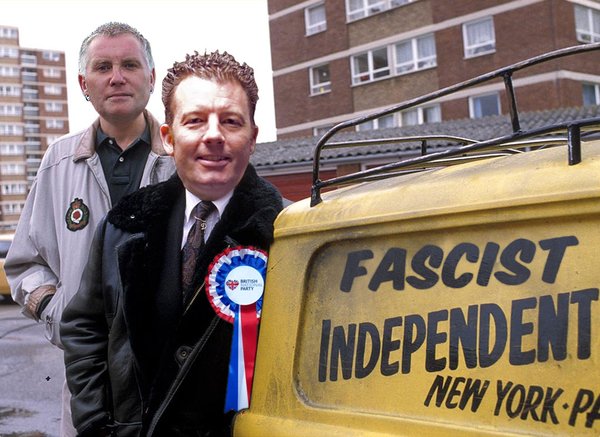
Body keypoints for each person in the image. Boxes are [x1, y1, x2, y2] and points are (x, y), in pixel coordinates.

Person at [60, 50, 284, 436]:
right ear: (168, 137)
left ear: (252, 138)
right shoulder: (123, 226)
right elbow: (84, 328)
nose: (213, 135)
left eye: (230, 121)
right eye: (195, 120)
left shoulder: (290, 231)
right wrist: (96, 424)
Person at [5, 22, 174, 436]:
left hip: (172, 373)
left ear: (151, 77)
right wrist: (57, 312)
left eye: (129, 65)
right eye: (103, 67)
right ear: (84, 83)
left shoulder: (181, 156)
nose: (117, 77)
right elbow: (26, 263)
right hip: (89, 379)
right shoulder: (58, 162)